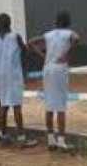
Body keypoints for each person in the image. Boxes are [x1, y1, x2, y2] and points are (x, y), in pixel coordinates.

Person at [29, 11, 81, 151]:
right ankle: (61, 140)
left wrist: (43, 55)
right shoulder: (68, 33)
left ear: (56, 22)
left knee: (49, 104)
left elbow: (31, 42)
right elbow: (77, 38)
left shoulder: (49, 34)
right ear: (68, 22)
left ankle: (51, 139)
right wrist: (66, 54)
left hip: (47, 67)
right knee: (61, 105)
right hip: (60, 68)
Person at [0, 13, 37, 148]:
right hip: (13, 75)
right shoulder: (15, 37)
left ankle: (3, 134)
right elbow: (25, 51)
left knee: (4, 105)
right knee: (16, 106)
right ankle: (21, 137)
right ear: (9, 24)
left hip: (0, 76)